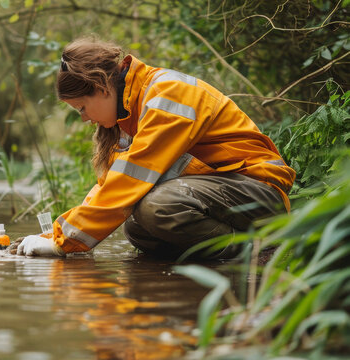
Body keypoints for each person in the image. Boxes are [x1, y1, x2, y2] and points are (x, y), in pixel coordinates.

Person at [16, 36, 295, 259]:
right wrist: (55, 234)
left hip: (259, 192)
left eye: (82, 108)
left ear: (101, 87)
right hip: (225, 192)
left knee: (158, 208)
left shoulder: (168, 95)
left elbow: (129, 181)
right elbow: (112, 186)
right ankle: (206, 260)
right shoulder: (129, 112)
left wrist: (66, 243)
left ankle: (259, 251)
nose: (85, 118)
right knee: (138, 228)